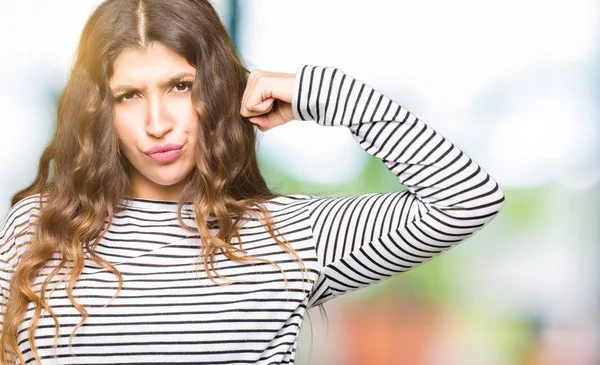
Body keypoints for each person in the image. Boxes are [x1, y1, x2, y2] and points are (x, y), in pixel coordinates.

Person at [0, 0, 506, 364]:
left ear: (217, 89)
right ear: (100, 109)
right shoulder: (40, 227)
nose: (157, 122)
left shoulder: (291, 233)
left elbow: (467, 198)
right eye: (129, 95)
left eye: (181, 86)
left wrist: (319, 92)